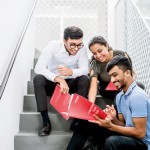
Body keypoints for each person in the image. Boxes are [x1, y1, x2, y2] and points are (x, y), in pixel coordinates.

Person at [66, 36, 145, 150]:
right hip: (109, 94)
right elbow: (93, 86)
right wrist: (90, 107)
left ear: (107, 46)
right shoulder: (119, 98)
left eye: (100, 51)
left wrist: (112, 124)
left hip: (128, 135)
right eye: (94, 53)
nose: (98, 56)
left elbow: (138, 132)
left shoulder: (136, 96)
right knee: (84, 124)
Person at [33, 26, 90, 136]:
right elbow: (38, 67)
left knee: (84, 79)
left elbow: (85, 70)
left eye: (79, 44)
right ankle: (46, 122)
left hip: (71, 84)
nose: (76, 48)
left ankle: (76, 120)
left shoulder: (82, 49)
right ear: (64, 41)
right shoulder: (53, 46)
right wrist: (58, 79)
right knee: (38, 78)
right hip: (53, 83)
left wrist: (70, 72)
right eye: (72, 44)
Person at [87, 55, 150, 150]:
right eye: (110, 76)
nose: (112, 80)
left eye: (115, 75)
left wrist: (111, 126)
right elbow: (124, 126)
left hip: (144, 143)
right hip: (132, 137)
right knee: (98, 125)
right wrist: (114, 119)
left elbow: (140, 133)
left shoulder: (137, 96)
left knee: (112, 142)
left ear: (127, 73)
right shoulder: (120, 96)